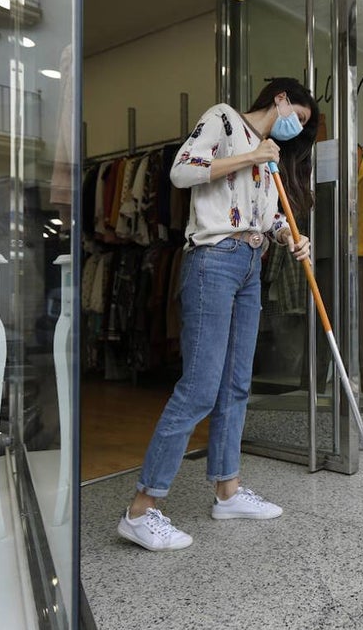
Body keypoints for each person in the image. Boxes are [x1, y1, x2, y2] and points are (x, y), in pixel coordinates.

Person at [117, 77, 319, 551]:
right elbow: (182, 172)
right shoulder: (224, 118)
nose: (296, 127)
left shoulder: (268, 154)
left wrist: (290, 237)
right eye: (300, 117)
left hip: (251, 263)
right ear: (281, 99)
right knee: (200, 387)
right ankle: (141, 510)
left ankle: (227, 491)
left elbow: (264, 215)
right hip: (213, 260)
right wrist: (253, 157)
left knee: (236, 383)